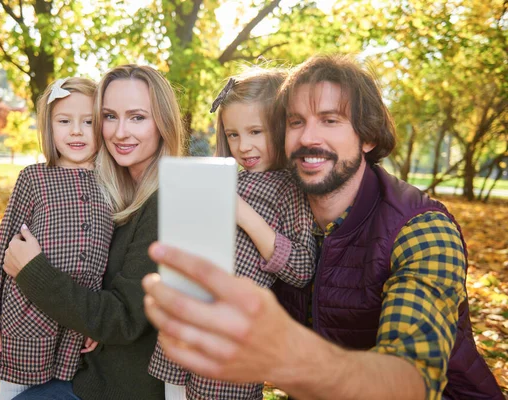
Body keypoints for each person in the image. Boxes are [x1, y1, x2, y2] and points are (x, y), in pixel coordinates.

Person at [142, 55, 504, 400]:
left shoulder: (421, 230)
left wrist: (286, 353)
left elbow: (411, 381)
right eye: (296, 122)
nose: (307, 137)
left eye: (329, 120)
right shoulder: (278, 205)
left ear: (367, 136)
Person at [1, 65, 184, 400]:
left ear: (163, 123)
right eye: (109, 116)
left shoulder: (166, 202)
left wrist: (32, 271)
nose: (119, 132)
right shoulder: (108, 191)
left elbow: (123, 319)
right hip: (79, 369)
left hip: (115, 388)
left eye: (138, 117)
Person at [149, 69, 317, 400]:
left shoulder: (292, 190)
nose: (244, 146)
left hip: (233, 332)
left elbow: (302, 268)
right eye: (234, 135)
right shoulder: (225, 179)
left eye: (256, 131)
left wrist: (244, 215)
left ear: (283, 127)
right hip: (187, 316)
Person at [0, 77, 111, 400]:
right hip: (25, 317)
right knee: (18, 392)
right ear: (49, 128)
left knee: (62, 391)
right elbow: (3, 246)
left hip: (78, 316)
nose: (76, 131)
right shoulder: (34, 178)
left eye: (88, 122)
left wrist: (96, 320)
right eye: (64, 121)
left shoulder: (111, 184)